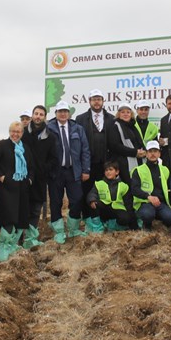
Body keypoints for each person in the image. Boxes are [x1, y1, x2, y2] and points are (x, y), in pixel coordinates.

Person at [0, 122, 35, 262]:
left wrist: (30, 180)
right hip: (7, 189)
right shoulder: (3, 146)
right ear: (9, 132)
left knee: (21, 217)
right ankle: (3, 247)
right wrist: (1, 177)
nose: (16, 134)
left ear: (22, 133)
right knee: (8, 217)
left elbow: (32, 167)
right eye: (13, 131)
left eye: (18, 131)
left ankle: (13, 245)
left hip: (22, 189)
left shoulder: (25, 148)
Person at [47, 101, 91, 243]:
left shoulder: (77, 128)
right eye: (60, 111)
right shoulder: (48, 128)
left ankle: (73, 229)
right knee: (55, 201)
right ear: (56, 113)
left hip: (74, 171)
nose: (63, 113)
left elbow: (85, 150)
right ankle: (59, 231)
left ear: (69, 113)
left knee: (77, 199)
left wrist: (86, 170)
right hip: (56, 172)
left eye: (65, 111)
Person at [76, 89, 114, 230]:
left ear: (103, 101)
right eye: (94, 99)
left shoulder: (111, 118)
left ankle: (103, 218)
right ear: (89, 101)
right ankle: (88, 220)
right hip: (88, 164)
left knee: (104, 191)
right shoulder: (80, 119)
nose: (97, 101)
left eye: (99, 99)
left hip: (105, 164)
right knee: (86, 191)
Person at [22, 105, 58, 246]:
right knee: (22, 207)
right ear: (32, 115)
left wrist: (43, 169)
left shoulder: (50, 136)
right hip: (23, 177)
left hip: (39, 179)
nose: (38, 116)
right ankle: (19, 237)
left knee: (36, 209)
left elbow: (54, 158)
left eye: (41, 114)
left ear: (45, 117)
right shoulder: (23, 133)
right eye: (36, 113)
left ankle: (31, 238)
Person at [131, 140, 171, 230]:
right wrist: (148, 197)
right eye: (150, 151)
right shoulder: (138, 170)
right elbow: (134, 189)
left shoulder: (165, 170)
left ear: (159, 154)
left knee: (170, 218)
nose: (153, 154)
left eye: (155, 151)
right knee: (148, 214)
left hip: (160, 203)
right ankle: (145, 223)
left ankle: (158, 221)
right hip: (144, 203)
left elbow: (169, 188)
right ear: (146, 154)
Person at [87, 161, 137, 232]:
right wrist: (92, 200)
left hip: (117, 209)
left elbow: (128, 204)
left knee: (125, 218)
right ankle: (98, 228)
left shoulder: (124, 186)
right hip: (104, 209)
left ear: (117, 172)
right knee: (93, 204)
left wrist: (134, 225)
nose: (108, 172)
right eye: (106, 170)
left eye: (110, 169)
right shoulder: (99, 183)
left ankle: (112, 226)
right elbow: (92, 194)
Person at [108, 103, 147, 184]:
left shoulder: (133, 126)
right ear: (118, 114)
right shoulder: (115, 126)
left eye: (128, 112)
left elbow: (140, 142)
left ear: (131, 114)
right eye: (123, 112)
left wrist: (144, 152)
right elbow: (115, 146)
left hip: (138, 161)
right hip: (123, 165)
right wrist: (135, 152)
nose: (125, 114)